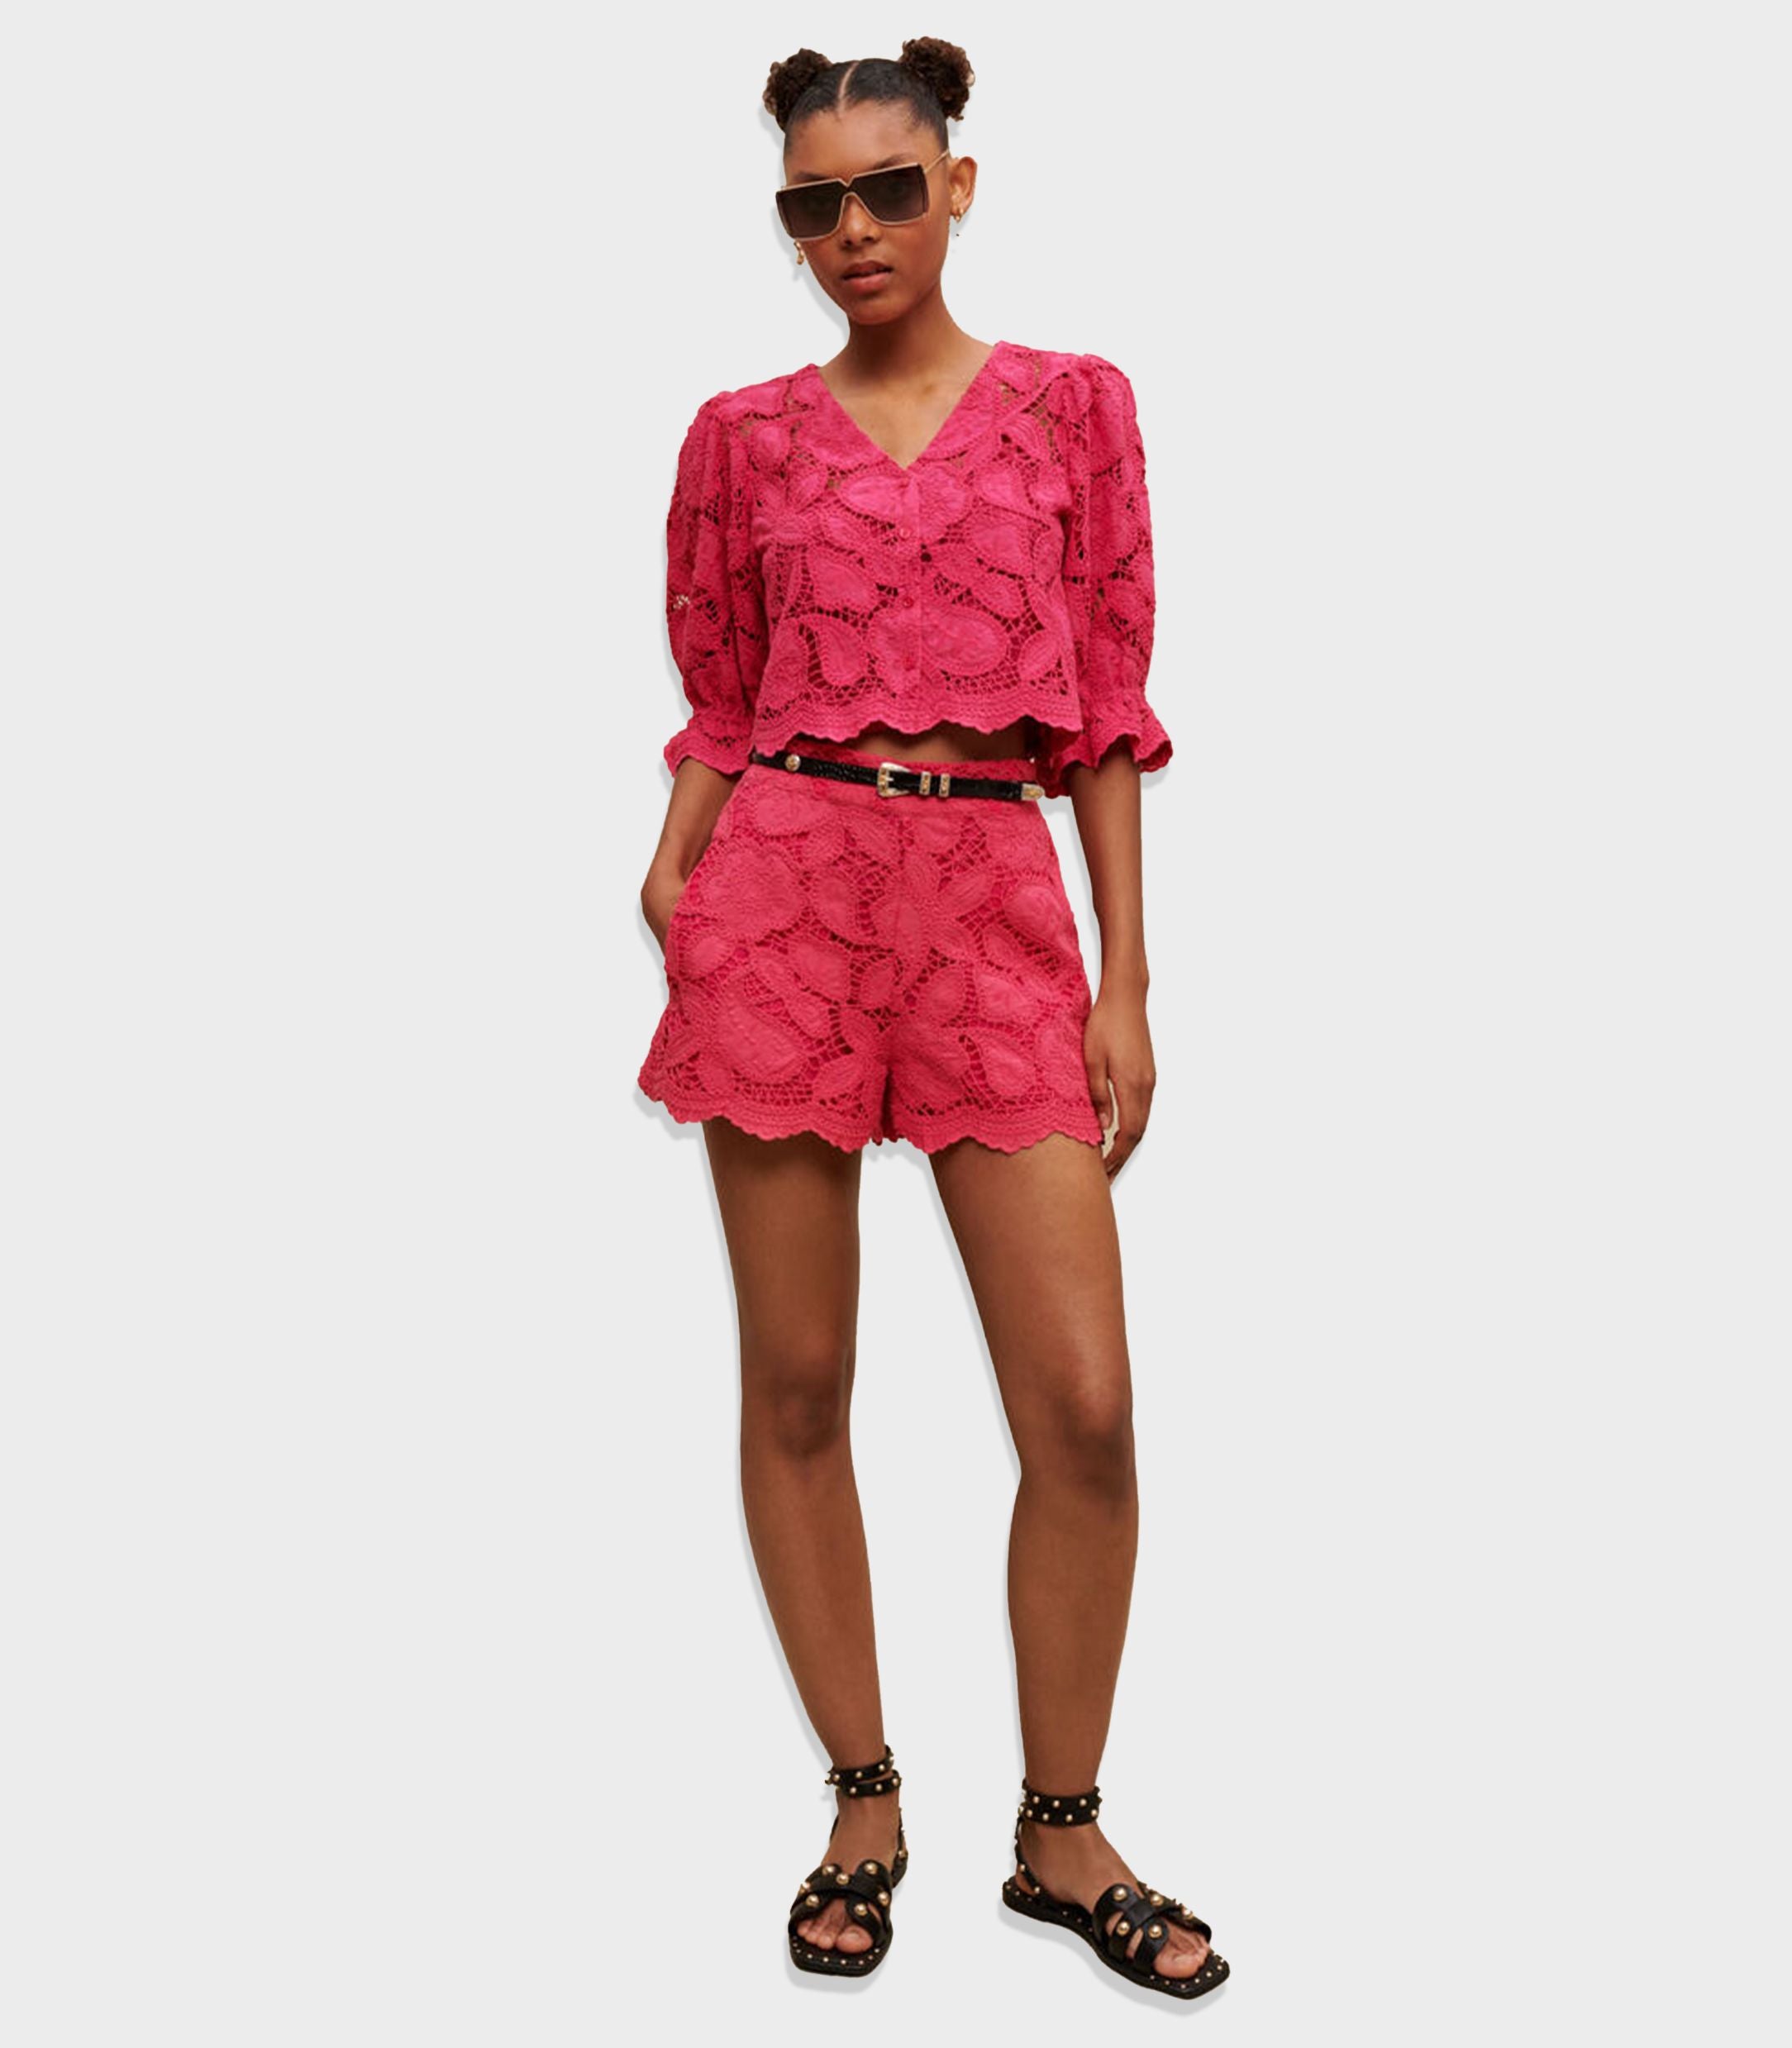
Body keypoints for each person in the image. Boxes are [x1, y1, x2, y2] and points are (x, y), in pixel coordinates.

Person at [636, 38, 1228, 2000]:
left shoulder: (1073, 408)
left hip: (991, 904)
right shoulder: (738, 436)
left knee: (1085, 1411)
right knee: (800, 1383)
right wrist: (676, 869)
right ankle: (863, 1801)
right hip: (783, 895)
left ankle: (1061, 1833)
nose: (854, 229)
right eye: (813, 202)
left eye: (889, 187)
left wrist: (1124, 977)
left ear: (955, 186)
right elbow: (725, 697)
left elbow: (1106, 709)